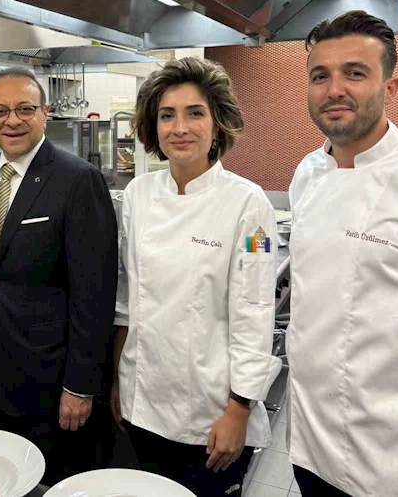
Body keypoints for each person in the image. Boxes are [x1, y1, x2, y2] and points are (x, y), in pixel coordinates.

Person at [288, 11, 398, 497]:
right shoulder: (307, 175)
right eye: (320, 76)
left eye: (355, 73)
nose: (334, 89)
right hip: (311, 449)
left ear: (391, 85)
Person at [111, 57, 280, 497]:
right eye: (167, 115)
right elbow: (129, 298)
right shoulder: (137, 195)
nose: (179, 127)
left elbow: (255, 312)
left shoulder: (249, 205)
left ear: (217, 123)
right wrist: (116, 379)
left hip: (211, 413)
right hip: (142, 402)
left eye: (195, 113)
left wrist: (239, 409)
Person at [0, 67, 118, 485]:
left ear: (45, 112)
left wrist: (80, 385)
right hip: (0, 367)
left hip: (52, 377)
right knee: (10, 478)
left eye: (24, 109)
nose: (12, 120)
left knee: (55, 482)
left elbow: (95, 292)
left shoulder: (77, 179)